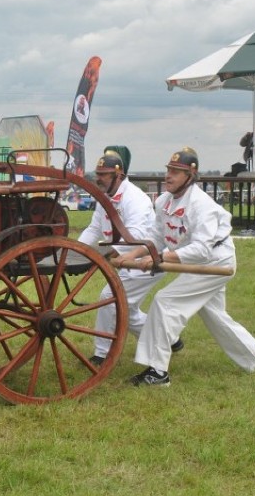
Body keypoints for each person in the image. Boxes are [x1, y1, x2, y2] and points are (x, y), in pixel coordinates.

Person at [112, 148, 255, 387]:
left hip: (216, 261)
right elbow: (155, 237)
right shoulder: (163, 201)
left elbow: (201, 249)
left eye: (177, 172)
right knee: (216, 317)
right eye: (169, 170)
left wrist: (159, 259)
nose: (169, 176)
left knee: (165, 302)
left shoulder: (200, 204)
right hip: (196, 261)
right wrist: (130, 255)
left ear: (190, 176)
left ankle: (158, 372)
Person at [77, 151, 183, 367]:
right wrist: (76, 250)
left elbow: (134, 234)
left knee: (109, 300)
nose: (99, 178)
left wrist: (105, 254)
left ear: (119, 175)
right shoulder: (104, 197)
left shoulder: (134, 198)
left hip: (143, 261)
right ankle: (169, 339)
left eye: (104, 174)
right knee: (128, 310)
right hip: (124, 260)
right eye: (98, 173)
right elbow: (95, 228)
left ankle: (101, 354)